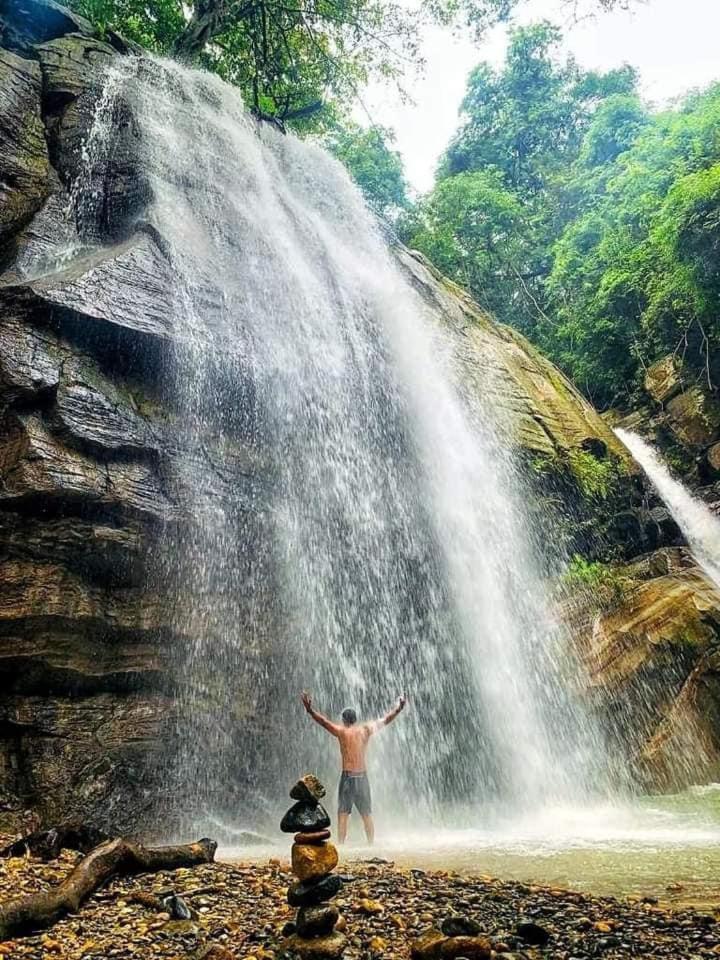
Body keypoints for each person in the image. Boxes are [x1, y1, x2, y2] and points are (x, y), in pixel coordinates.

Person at [301, 691, 406, 845]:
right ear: (355, 720)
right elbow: (385, 720)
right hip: (362, 776)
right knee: (366, 814)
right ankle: (371, 845)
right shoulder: (365, 730)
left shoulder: (341, 732)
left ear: (343, 720)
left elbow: (323, 722)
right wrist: (398, 709)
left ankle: (341, 846)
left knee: (343, 814)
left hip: (348, 777)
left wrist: (310, 711)